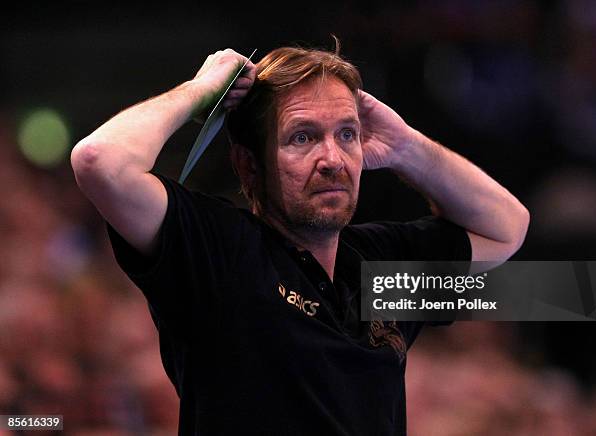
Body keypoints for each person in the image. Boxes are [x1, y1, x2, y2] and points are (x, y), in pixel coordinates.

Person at [71, 43, 529, 435]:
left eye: (346, 134)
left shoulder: (379, 275)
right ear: (250, 166)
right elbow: (99, 161)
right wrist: (200, 91)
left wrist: (405, 147)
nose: (333, 158)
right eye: (303, 137)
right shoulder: (219, 254)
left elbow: (507, 228)